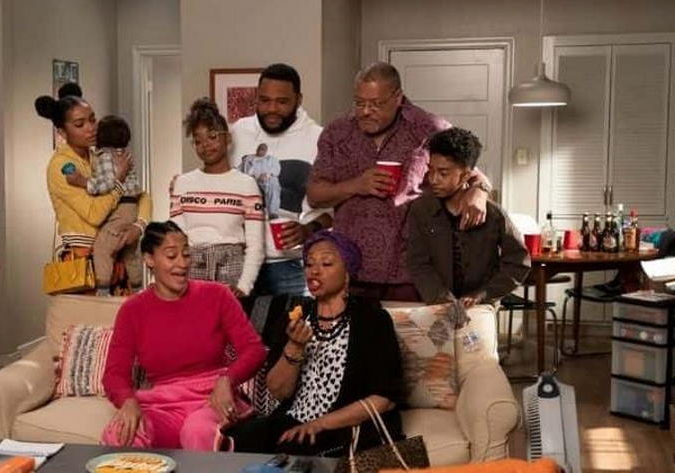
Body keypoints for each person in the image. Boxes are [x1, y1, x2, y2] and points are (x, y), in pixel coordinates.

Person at [308, 61, 492, 302]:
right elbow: (314, 195)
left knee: (410, 328)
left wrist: (479, 192)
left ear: (397, 97)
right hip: (351, 270)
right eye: (359, 103)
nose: (365, 111)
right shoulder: (337, 132)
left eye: (376, 104)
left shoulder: (428, 128)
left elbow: (471, 173)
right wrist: (356, 185)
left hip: (411, 270)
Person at [225, 231, 404, 456]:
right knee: (237, 441)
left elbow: (384, 399)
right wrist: (294, 347)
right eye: (309, 264)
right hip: (294, 419)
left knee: (292, 451)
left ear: (347, 273)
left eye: (326, 263)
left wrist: (318, 424)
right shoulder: (295, 317)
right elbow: (278, 392)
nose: (314, 271)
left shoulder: (372, 319)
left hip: (344, 425)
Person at [101, 221, 266, 450]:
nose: (182, 263)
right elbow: (114, 374)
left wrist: (227, 380)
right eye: (172, 256)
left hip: (212, 400)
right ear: (149, 259)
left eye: (186, 255)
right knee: (120, 434)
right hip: (164, 404)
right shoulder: (132, 310)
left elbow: (254, 350)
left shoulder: (217, 295)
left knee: (196, 431)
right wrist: (127, 401)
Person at [230, 63, 332, 296]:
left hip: (292, 265)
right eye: (264, 100)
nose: (272, 109)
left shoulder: (319, 139)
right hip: (239, 263)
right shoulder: (238, 132)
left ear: (299, 100)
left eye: (282, 102)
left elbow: (336, 211)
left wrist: (308, 230)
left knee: (293, 321)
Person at [407, 127, 530, 309]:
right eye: (430, 170)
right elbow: (418, 263)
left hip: (481, 306)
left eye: (443, 173)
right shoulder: (421, 210)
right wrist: (442, 299)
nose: (433, 179)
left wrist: (484, 294)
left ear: (465, 175)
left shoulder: (493, 214)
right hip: (435, 304)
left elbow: (518, 262)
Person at [36, 95, 150, 278]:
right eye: (80, 124)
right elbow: (94, 215)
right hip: (83, 261)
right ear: (62, 132)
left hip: (117, 256)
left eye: (92, 119)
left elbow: (142, 196)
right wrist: (118, 181)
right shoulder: (62, 166)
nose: (91, 128)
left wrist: (138, 227)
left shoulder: (102, 155)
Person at [170, 98, 264, 297]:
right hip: (192, 268)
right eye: (198, 141)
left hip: (231, 268)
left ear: (227, 138)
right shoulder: (182, 184)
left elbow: (256, 244)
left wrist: (244, 286)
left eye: (212, 137)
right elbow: (177, 239)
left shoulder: (247, 184)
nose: (205, 145)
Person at [63, 115, 143, 294]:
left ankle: (103, 289)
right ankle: (138, 287)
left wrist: (83, 182)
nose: (91, 130)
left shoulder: (106, 156)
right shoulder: (122, 154)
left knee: (102, 247)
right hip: (130, 206)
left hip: (120, 207)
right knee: (129, 250)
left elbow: (107, 184)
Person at [239, 143, 281, 217]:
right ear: (257, 149)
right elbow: (239, 169)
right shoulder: (248, 158)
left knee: (273, 182)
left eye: (263, 149)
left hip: (265, 179)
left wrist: (267, 175)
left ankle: (273, 213)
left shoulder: (271, 159)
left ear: (266, 151)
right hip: (251, 179)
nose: (261, 151)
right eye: (259, 148)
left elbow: (276, 170)